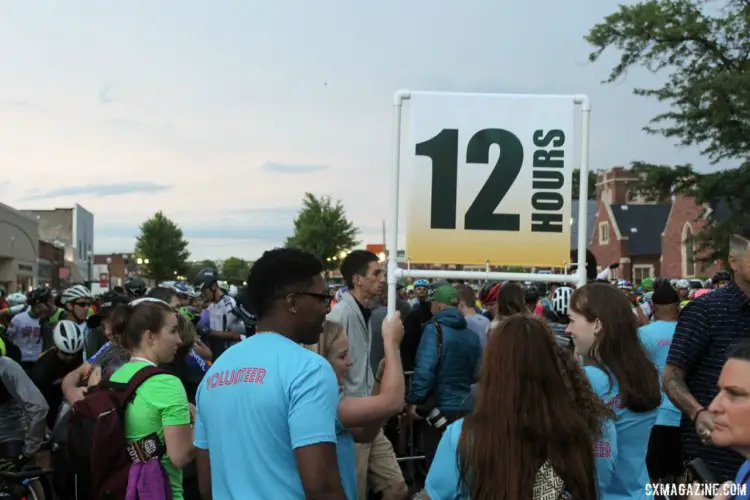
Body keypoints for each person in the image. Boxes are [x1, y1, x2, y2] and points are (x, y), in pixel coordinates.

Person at [193, 248, 346, 499]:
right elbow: (322, 488)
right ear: (292, 302)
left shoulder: (215, 372)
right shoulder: (309, 371)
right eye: (322, 297)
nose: (327, 308)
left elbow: (207, 485)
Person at [425, 315, 608, 500]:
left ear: (492, 368)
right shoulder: (572, 434)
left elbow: (438, 494)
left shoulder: (462, 436)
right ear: (551, 366)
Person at [664, 231, 750, 482]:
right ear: (734, 262)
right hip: (712, 456)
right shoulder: (705, 311)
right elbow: (671, 377)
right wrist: (698, 413)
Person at [567, 282, 662, 498]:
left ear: (597, 324)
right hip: (639, 491)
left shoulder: (594, 379)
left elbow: (600, 455)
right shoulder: (648, 373)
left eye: (572, 320)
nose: (568, 329)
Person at [328, 250, 409, 500]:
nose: (383, 278)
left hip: (370, 414)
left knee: (398, 488)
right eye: (376, 273)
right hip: (351, 417)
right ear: (357, 279)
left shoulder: (368, 312)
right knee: (356, 492)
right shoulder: (338, 316)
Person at [108, 297, 195, 499]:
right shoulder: (167, 384)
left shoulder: (117, 375)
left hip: (125, 489)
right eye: (173, 331)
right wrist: (201, 422)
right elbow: (180, 456)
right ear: (150, 337)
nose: (179, 340)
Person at [309, 318, 406, 500]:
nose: (350, 362)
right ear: (322, 360)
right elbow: (394, 402)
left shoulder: (326, 399)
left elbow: (365, 433)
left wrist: (378, 381)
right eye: (342, 356)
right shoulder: (324, 403)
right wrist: (391, 343)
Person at [406, 284, 482, 469]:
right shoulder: (472, 335)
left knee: (439, 465)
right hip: (466, 408)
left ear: (438, 306)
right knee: (462, 466)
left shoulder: (434, 330)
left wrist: (414, 401)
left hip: (438, 410)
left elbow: (424, 370)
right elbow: (477, 373)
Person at [638, 286, 683, 482]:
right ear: (678, 306)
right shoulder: (690, 331)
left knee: (653, 478)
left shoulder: (642, 334)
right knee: (686, 477)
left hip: (654, 417)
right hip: (687, 414)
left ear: (653, 307)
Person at [31, 319, 85, 429]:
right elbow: (35, 403)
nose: (71, 358)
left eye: (74, 354)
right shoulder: (42, 368)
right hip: (49, 410)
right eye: (66, 354)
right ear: (56, 348)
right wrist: (43, 427)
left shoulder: (77, 355)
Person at [0, 353, 48, 470]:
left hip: (9, 432)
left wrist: (28, 452)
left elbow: (38, 407)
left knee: (19, 480)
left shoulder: (6, 366)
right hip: (9, 431)